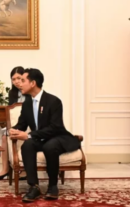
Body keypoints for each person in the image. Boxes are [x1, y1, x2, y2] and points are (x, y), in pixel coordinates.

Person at [9, 68, 80, 203]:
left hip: (57, 137)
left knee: (50, 145)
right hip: (39, 138)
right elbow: (21, 125)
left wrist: (29, 135)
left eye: (23, 80)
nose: (20, 84)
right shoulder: (27, 103)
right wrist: (13, 130)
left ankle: (53, 186)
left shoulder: (54, 101)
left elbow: (54, 128)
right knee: (28, 145)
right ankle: (34, 187)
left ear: (33, 83)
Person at [0, 66, 27, 180]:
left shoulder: (31, 91)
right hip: (17, 124)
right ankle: (5, 168)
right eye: (13, 79)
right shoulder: (12, 93)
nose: (16, 81)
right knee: (5, 136)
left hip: (28, 125)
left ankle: (24, 169)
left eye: (19, 78)